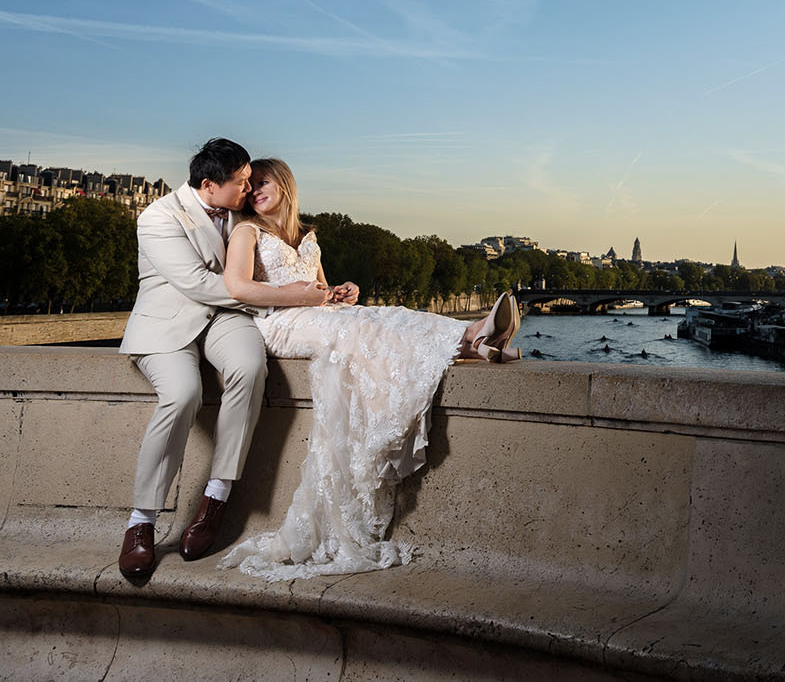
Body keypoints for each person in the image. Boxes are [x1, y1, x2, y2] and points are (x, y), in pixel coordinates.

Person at [216, 157, 521, 580]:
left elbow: (321, 291)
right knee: (369, 328)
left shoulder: (306, 235)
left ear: (284, 184)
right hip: (279, 323)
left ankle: (474, 341)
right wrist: (297, 295)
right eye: (250, 189)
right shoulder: (246, 231)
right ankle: (473, 338)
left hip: (315, 317)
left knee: (380, 316)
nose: (253, 193)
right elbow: (238, 287)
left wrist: (341, 291)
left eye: (261, 183)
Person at [118, 138, 329, 581]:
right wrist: (283, 297)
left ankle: (217, 494)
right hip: (169, 324)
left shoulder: (240, 213)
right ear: (210, 184)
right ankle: (141, 522)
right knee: (182, 393)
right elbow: (198, 283)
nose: (249, 188)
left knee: (251, 369)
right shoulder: (157, 217)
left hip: (227, 318)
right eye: (242, 182)